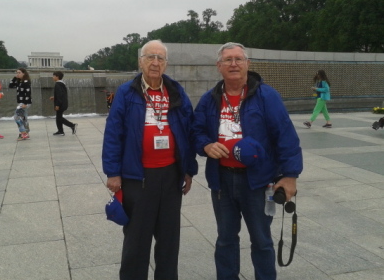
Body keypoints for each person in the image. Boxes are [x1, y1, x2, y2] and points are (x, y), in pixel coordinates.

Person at [193, 42, 303, 280]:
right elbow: (196, 130)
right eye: (228, 60)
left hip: (258, 182)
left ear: (247, 64)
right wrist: (206, 145)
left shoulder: (267, 96)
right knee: (225, 240)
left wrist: (290, 175)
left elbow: (286, 136)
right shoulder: (209, 99)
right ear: (219, 66)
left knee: (262, 240)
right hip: (221, 180)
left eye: (238, 59)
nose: (233, 64)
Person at [102, 40, 198, 280]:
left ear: (166, 63)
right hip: (138, 177)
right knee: (137, 240)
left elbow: (188, 132)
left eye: (161, 58)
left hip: (170, 175)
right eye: (150, 57)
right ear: (140, 61)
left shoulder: (175, 91)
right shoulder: (127, 92)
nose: (156, 63)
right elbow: (114, 133)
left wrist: (188, 169)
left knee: (169, 240)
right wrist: (113, 172)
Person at [49, 71, 77, 136]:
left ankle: (72, 125)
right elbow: (62, 94)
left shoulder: (57, 84)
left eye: (53, 76)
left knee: (59, 118)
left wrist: (57, 105)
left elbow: (60, 95)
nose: (52, 77)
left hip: (61, 104)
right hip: (63, 103)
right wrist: (54, 97)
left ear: (57, 77)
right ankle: (60, 131)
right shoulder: (62, 84)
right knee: (58, 117)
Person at [9, 68, 32, 141]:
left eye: (19, 73)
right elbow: (10, 86)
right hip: (21, 102)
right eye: (17, 72)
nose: (17, 74)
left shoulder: (26, 82)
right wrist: (14, 78)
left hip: (24, 102)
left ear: (24, 73)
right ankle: (26, 133)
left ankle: (23, 133)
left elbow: (28, 93)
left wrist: (25, 103)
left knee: (16, 117)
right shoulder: (19, 82)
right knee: (24, 118)